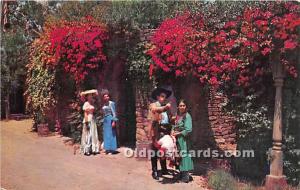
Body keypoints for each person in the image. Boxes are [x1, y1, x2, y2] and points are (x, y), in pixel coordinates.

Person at [148, 87, 172, 180]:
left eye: (165, 97)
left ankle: (164, 168)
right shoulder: (153, 105)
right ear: (158, 97)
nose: (164, 98)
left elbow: (170, 118)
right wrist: (165, 108)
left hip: (166, 130)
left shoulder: (166, 106)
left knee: (164, 150)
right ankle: (154, 170)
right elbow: (155, 110)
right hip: (157, 131)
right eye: (162, 96)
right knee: (155, 150)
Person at [172, 99, 194, 183]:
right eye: (180, 105)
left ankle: (185, 177)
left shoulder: (187, 116)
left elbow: (188, 130)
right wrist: (173, 131)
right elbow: (175, 125)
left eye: (183, 105)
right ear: (178, 107)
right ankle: (181, 174)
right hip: (177, 139)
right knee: (179, 157)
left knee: (184, 156)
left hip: (184, 140)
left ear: (186, 107)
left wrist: (178, 134)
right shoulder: (178, 115)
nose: (182, 107)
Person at [80, 89, 100, 156]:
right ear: (87, 97)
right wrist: (86, 122)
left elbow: (96, 103)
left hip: (92, 119)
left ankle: (94, 149)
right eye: (89, 96)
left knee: (93, 134)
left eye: (91, 95)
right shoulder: (86, 103)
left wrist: (96, 94)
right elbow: (85, 113)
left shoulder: (92, 103)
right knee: (88, 135)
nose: (91, 97)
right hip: (88, 119)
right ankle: (87, 150)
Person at [100, 89, 118, 155]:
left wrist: (114, 121)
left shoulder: (111, 103)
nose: (106, 97)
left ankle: (111, 149)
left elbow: (114, 113)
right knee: (106, 134)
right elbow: (103, 113)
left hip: (110, 119)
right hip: (105, 120)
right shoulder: (104, 104)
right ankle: (107, 149)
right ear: (103, 97)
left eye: (107, 96)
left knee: (111, 134)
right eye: (105, 96)